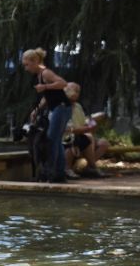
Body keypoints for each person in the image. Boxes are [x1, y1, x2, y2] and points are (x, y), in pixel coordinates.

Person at [21, 48, 69, 182]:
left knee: (51, 140)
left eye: (27, 65)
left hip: (61, 107)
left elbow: (63, 83)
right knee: (56, 140)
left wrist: (45, 87)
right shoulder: (40, 75)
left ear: (35, 61)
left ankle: (50, 173)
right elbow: (47, 97)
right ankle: (59, 174)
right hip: (57, 108)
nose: (26, 68)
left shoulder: (46, 73)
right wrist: (37, 110)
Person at [63, 82, 109, 178]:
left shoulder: (78, 106)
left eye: (77, 91)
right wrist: (87, 129)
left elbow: (85, 122)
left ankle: (89, 168)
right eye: (72, 90)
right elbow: (70, 129)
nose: (75, 93)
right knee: (87, 137)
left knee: (103, 143)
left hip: (80, 135)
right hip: (66, 137)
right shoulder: (62, 107)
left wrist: (93, 122)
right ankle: (90, 167)